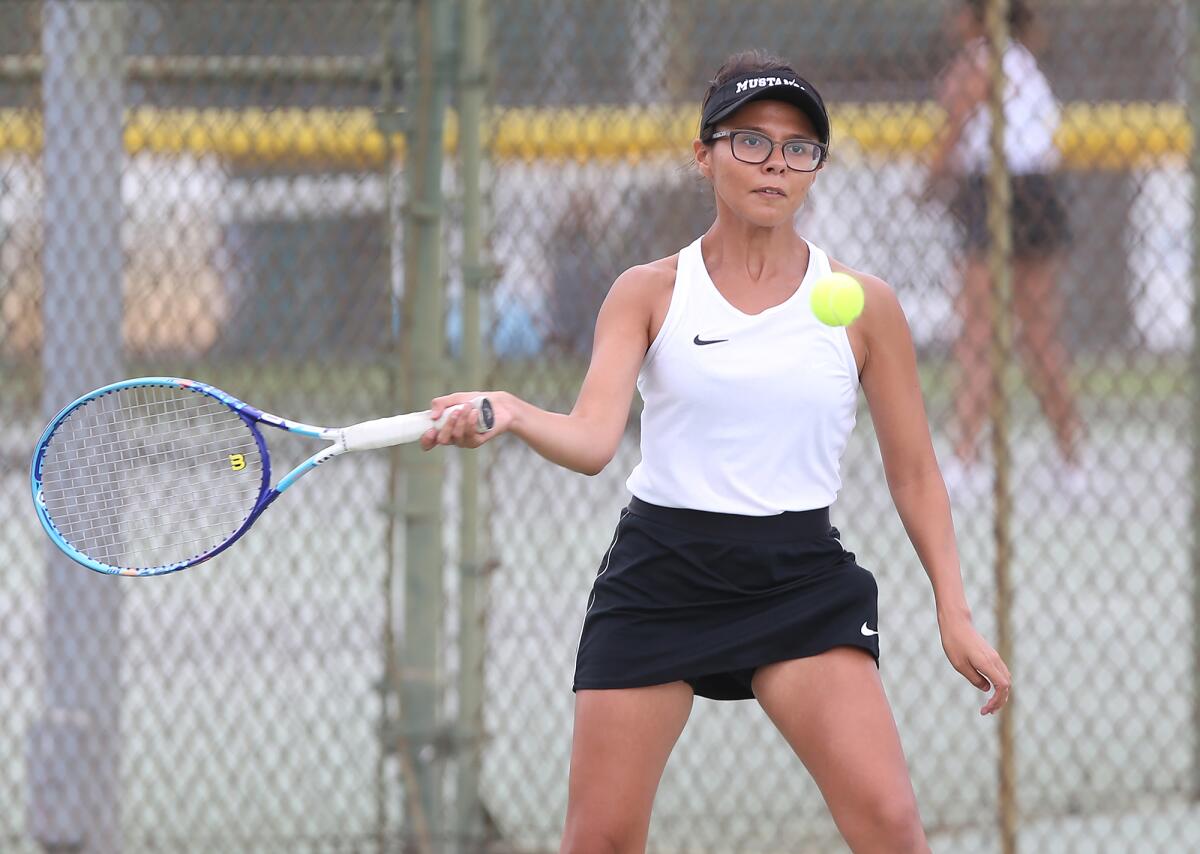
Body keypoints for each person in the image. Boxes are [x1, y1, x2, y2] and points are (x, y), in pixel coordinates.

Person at [422, 50, 1011, 854]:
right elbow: (596, 440)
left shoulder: (866, 306)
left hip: (797, 580)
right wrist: (517, 413)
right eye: (750, 141)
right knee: (597, 842)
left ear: (816, 167)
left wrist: (956, 611)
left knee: (892, 829)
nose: (775, 163)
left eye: (798, 147)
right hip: (661, 575)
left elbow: (914, 473)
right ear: (704, 155)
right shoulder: (648, 290)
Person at [928, 0, 1083, 494]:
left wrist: (925, 186)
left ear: (977, 17)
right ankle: (1072, 463)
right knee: (1038, 335)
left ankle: (965, 459)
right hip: (1037, 190)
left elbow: (952, 135)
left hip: (998, 190)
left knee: (977, 330)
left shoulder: (978, 60)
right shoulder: (1021, 58)